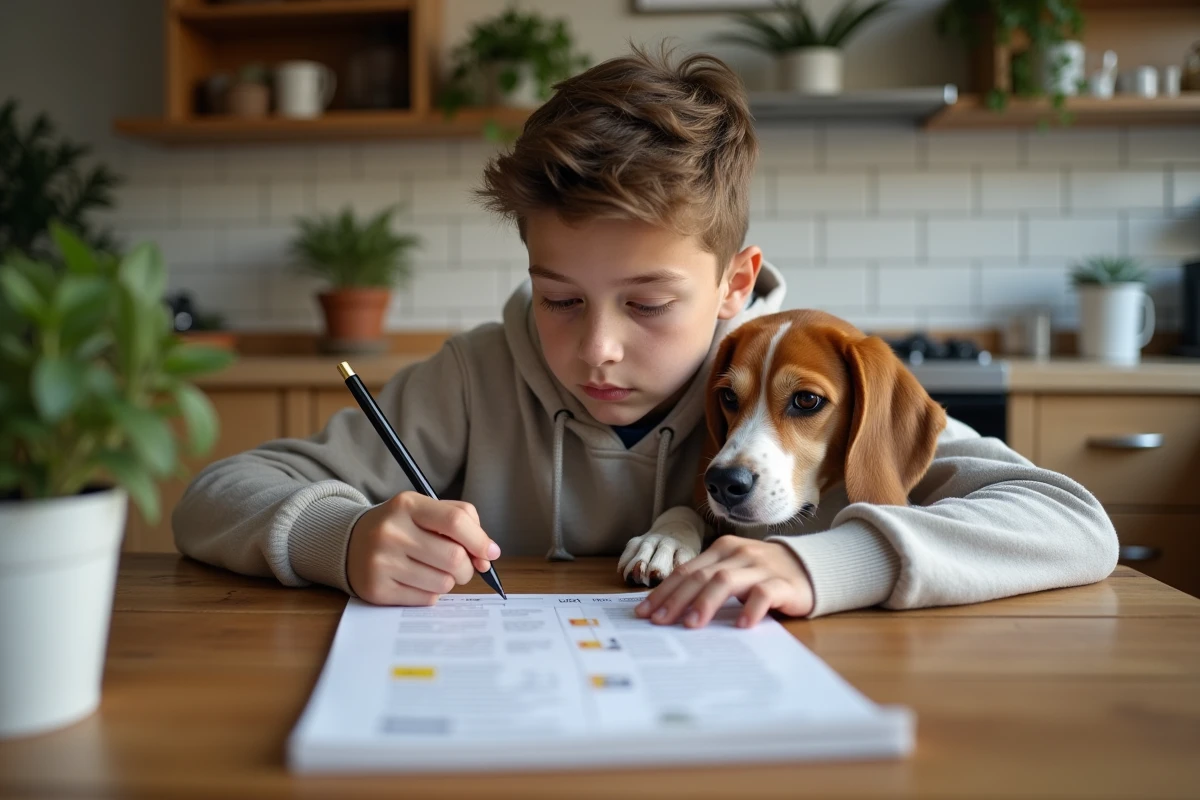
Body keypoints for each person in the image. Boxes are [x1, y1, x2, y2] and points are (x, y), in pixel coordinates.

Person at [173, 45, 1117, 628]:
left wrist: (819, 559)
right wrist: (342, 537)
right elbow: (218, 494)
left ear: (732, 285)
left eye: (649, 304)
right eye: (560, 299)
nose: (597, 352)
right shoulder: (472, 378)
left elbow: (1073, 523)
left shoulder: (792, 380)